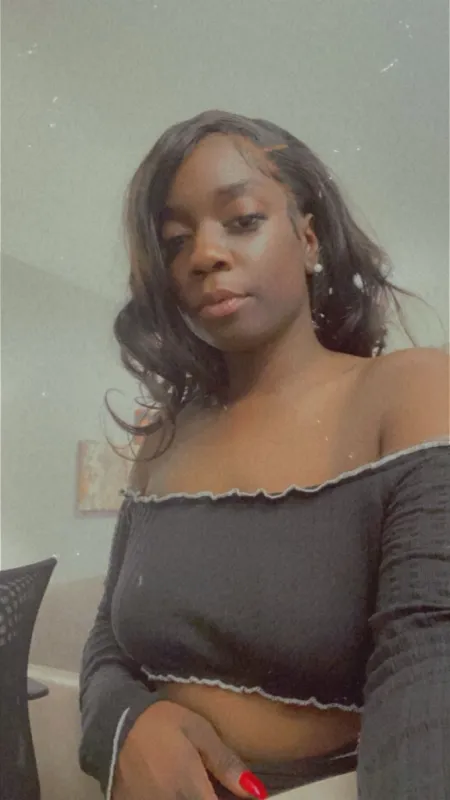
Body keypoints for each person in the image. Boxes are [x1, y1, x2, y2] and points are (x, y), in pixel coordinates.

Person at [79, 110, 450, 799]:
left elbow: (432, 658)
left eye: (242, 220)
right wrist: (127, 723)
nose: (205, 254)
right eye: (176, 241)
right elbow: (108, 641)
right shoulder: (162, 441)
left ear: (308, 239)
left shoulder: (412, 391)